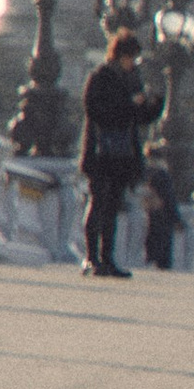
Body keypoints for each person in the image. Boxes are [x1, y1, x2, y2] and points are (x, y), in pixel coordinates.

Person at [77, 30, 158, 276]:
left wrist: (153, 106)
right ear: (120, 54)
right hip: (101, 152)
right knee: (98, 202)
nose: (132, 62)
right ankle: (91, 258)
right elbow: (96, 111)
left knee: (112, 207)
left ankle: (107, 259)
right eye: (130, 57)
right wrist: (129, 105)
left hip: (122, 154)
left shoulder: (133, 80)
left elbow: (139, 119)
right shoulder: (100, 77)